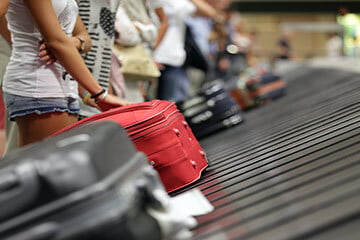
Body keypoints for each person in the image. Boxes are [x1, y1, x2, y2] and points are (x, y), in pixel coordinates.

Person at [2, 0, 126, 147]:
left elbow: (81, 37)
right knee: (43, 164)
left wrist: (74, 43)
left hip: (65, 86)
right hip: (38, 84)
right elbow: (56, 42)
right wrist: (100, 94)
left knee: (60, 163)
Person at [153, 0, 217, 102]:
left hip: (172, 57)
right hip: (153, 56)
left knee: (169, 104)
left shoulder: (178, 2)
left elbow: (210, 13)